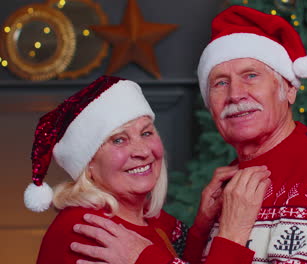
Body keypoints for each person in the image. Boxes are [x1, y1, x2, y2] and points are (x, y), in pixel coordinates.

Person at [69, 5, 307, 264]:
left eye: (251, 75)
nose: (236, 94)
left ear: (289, 88)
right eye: (219, 83)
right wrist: (201, 229)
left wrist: (146, 259)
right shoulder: (232, 179)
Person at [24, 75, 271, 264]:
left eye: (146, 132)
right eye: (118, 140)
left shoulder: (149, 217)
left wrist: (202, 227)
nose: (142, 150)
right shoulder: (86, 231)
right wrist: (232, 234)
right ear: (88, 164)